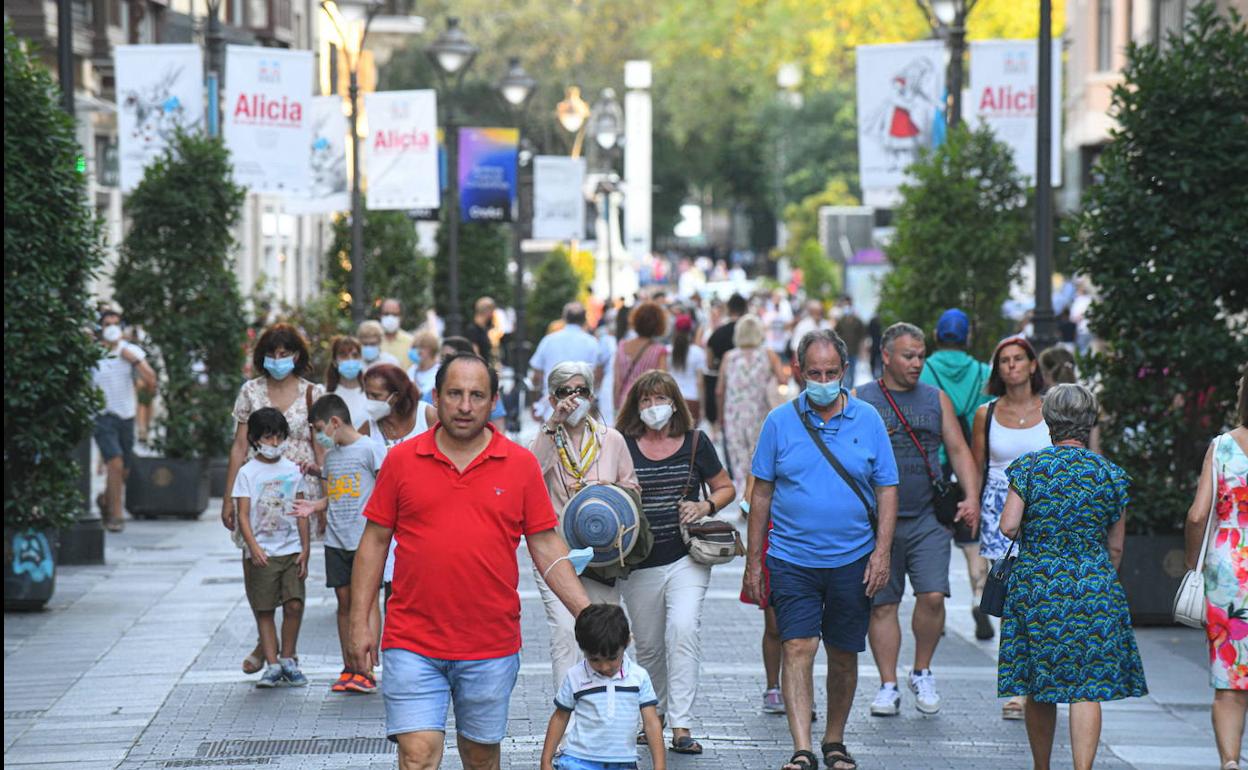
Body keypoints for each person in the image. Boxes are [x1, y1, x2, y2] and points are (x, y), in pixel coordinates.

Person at [347, 353, 592, 770]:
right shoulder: (403, 461)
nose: (465, 406)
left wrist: (587, 615)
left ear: (493, 400)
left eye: (476, 395)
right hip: (411, 640)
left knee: (480, 759)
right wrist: (359, 622)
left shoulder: (520, 465)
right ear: (436, 397)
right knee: (417, 755)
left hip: (489, 644)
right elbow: (374, 542)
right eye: (455, 394)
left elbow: (546, 545)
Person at [745, 329, 898, 770]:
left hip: (854, 558)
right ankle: (802, 747)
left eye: (832, 372)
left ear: (845, 372)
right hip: (791, 558)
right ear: (798, 371)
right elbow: (761, 494)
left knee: (844, 653)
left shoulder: (868, 419)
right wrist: (754, 562)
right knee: (798, 646)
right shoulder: (779, 422)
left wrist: (882, 552)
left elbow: (887, 489)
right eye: (815, 372)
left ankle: (834, 740)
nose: (824, 380)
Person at [998, 383, 1148, 770]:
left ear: (1048, 421)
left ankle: (1042, 766)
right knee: (1086, 688)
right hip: (1093, 584)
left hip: (1038, 586)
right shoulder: (1110, 474)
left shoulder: (1031, 467)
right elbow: (1116, 546)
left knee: (1039, 684)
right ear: (1089, 422)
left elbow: (1008, 526)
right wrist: (1096, 575)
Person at [856, 323, 980, 718]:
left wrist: (972, 497)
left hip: (928, 516)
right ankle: (888, 684)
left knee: (932, 595)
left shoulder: (935, 399)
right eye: (908, 356)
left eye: (921, 356)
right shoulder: (862, 398)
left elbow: (959, 449)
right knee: (883, 604)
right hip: (878, 522)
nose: (916, 363)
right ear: (887, 356)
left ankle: (922, 670)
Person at [615, 371, 735, 756]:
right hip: (640, 562)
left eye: (660, 400)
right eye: (645, 401)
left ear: (675, 402)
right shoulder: (623, 445)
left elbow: (726, 486)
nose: (653, 408)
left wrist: (705, 505)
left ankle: (681, 724)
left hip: (687, 557)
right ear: (636, 406)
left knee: (683, 630)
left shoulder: (696, 442)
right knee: (649, 647)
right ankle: (655, 715)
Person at [221, 323, 325, 676]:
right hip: (256, 490)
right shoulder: (251, 391)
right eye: (273, 354)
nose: (279, 360)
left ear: (298, 356)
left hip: (298, 491)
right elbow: (238, 446)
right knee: (258, 569)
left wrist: (324, 495)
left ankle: (276, 650)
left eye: (286, 354)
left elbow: (319, 445)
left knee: (292, 574)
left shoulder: (313, 393)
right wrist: (227, 497)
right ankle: (267, 646)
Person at [530, 362, 639, 687]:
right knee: (564, 631)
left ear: (591, 396)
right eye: (565, 392)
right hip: (557, 549)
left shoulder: (612, 439)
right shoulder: (545, 435)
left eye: (581, 391)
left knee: (605, 631)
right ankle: (568, 717)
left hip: (603, 551)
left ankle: (607, 706)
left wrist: (606, 498)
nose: (574, 399)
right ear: (552, 399)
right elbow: (530, 475)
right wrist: (553, 424)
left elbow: (632, 488)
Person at [970, 336, 1049, 716]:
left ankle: (1041, 677)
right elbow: (976, 465)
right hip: (1000, 513)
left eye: (1019, 359)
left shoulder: (1050, 409)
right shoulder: (986, 413)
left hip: (1046, 510)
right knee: (1010, 600)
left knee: (1041, 598)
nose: (1012, 366)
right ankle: (1018, 687)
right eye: (1004, 361)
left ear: (1033, 365)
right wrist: (971, 502)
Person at [296, 394, 386, 694]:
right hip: (336, 540)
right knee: (344, 604)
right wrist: (314, 507)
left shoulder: (369, 449)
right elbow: (337, 494)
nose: (319, 436)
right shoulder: (332, 457)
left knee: (368, 601)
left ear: (335, 422)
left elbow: (384, 489)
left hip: (364, 539)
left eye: (320, 428)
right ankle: (349, 664)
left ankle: (367, 668)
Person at [1184, 371, 1247, 770]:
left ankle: (1229, 762)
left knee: (1230, 681)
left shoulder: (1223, 447)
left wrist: (1194, 565)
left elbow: (1197, 516)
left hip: (1228, 570)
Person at [920, 308, 994, 639]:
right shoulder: (983, 373)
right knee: (972, 539)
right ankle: (979, 596)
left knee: (933, 538)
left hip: (932, 466)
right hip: (972, 467)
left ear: (936, 336)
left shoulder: (924, 371)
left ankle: (935, 607)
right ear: (967, 338)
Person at [232, 407, 311, 688]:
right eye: (268, 437)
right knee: (264, 609)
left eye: (279, 437)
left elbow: (301, 509)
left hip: (290, 551)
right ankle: (272, 664)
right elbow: (242, 514)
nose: (274, 443)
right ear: (255, 439)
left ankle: (288, 657)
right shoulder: (247, 473)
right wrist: (253, 548)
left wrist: (306, 548)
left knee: (294, 604)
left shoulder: (292, 470)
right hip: (263, 552)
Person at [540, 604, 666, 770]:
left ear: (627, 642)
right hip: (578, 761)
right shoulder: (575, 676)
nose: (604, 667)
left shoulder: (638, 677)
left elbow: (651, 722)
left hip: (624, 763)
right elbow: (560, 717)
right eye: (595, 660)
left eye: (612, 658)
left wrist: (660, 765)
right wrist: (546, 761)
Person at [362, 364, 437, 597]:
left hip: (430, 519)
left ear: (395, 396)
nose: (370, 401)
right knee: (395, 593)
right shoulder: (368, 428)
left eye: (376, 396)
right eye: (367, 395)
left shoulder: (427, 416)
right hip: (389, 525)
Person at [91, 309, 157, 532]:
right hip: (102, 416)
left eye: (115, 323)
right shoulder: (93, 354)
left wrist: (135, 361)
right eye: (107, 323)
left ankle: (105, 500)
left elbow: (151, 380)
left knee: (123, 469)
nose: (111, 327)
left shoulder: (131, 352)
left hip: (126, 416)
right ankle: (115, 516)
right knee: (115, 463)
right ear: (101, 328)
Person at [717, 314, 785, 499]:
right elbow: (783, 379)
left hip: (734, 415)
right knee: (758, 458)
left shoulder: (729, 357)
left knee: (739, 460)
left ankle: (742, 497)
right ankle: (754, 498)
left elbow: (719, 390)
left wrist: (719, 418)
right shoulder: (768, 354)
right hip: (759, 414)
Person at [531, 302, 607, 421]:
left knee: (551, 436)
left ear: (564, 318)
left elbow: (536, 376)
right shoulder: (592, 342)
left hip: (552, 404)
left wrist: (535, 401)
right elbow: (598, 375)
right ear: (584, 319)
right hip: (582, 405)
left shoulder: (548, 340)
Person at [704, 293, 748, 442]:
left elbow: (709, 363)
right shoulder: (752, 334)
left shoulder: (717, 333)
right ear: (745, 309)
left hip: (723, 389)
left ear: (729, 309)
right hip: (746, 390)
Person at [613, 302, 669, 409]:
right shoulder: (659, 350)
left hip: (624, 401)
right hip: (647, 404)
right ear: (659, 324)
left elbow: (617, 381)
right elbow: (662, 384)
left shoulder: (622, 346)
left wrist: (616, 403)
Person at [325, 335, 372, 432]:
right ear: (335, 361)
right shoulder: (327, 395)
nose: (350, 360)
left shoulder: (372, 393)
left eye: (355, 355)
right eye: (344, 355)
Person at [668, 315, 707, 425]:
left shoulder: (668, 351)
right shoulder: (698, 352)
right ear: (691, 330)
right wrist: (703, 407)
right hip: (692, 399)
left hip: (671, 399)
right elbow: (700, 382)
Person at [833, 297, 866, 383]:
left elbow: (862, 336)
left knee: (853, 372)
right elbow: (835, 334)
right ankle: (847, 389)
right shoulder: (841, 321)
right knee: (846, 372)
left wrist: (862, 351)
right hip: (843, 351)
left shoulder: (857, 321)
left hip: (854, 350)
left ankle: (850, 390)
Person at [406, 329, 441, 398]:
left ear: (431, 350)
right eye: (414, 347)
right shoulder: (411, 370)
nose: (416, 351)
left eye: (421, 347)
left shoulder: (440, 371)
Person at [379, 298, 413, 362]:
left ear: (401, 317)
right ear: (380, 316)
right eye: (386, 314)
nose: (390, 318)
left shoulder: (411, 342)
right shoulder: (373, 341)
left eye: (394, 314)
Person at [466, 297, 496, 365]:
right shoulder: (473, 329)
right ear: (487, 311)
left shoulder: (484, 328)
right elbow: (476, 354)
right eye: (492, 310)